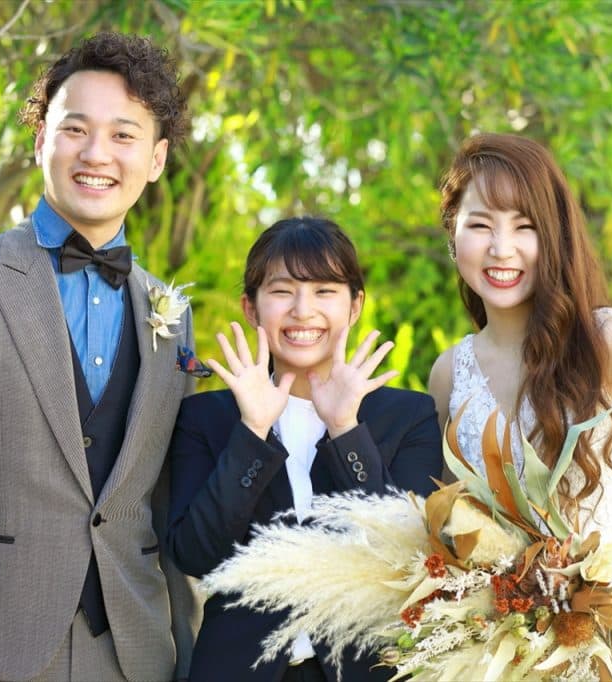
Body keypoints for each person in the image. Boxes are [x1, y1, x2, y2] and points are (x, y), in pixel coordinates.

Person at [0, 32, 198, 682]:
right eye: (75, 129)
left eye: (123, 135)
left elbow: (166, 501)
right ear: (39, 141)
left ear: (157, 158)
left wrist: (190, 655)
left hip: (136, 654)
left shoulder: (172, 313)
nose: (96, 154)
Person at [427, 133, 612, 680]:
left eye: (525, 226)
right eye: (481, 224)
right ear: (453, 234)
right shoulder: (449, 374)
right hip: (502, 657)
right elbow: (455, 526)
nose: (501, 248)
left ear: (555, 235)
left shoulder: (607, 343)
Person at [165, 217, 444, 682]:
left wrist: (346, 430)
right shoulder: (205, 418)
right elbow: (195, 555)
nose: (302, 310)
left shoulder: (408, 416)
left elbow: (410, 555)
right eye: (282, 291)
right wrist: (253, 431)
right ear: (251, 308)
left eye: (324, 291)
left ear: (355, 306)